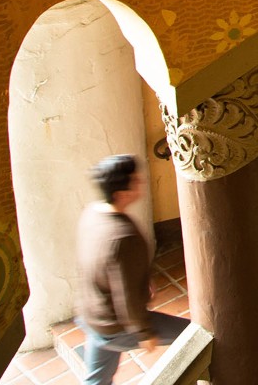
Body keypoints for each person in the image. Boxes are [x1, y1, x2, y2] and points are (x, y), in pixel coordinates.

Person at [76, 154, 188, 385]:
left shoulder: (92, 213)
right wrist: (144, 333)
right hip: (116, 325)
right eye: (135, 180)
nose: (141, 183)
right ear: (121, 193)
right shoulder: (123, 237)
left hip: (93, 316)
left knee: (96, 380)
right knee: (195, 337)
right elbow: (125, 298)